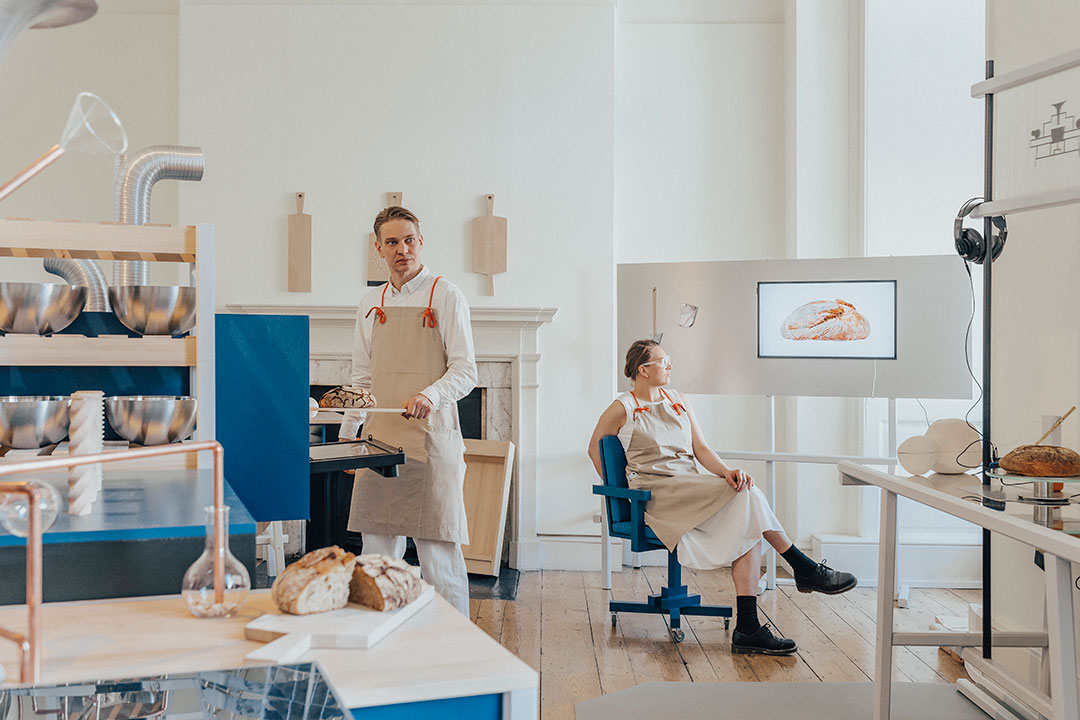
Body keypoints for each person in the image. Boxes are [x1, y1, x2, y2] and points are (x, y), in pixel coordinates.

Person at [587, 339, 857, 655]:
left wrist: (726, 472)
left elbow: (701, 449)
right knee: (749, 499)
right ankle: (802, 567)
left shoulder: (678, 400)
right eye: (664, 360)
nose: (670, 365)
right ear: (643, 369)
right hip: (659, 494)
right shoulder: (623, 407)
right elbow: (595, 448)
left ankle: (748, 627)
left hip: (691, 486)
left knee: (747, 507)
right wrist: (621, 496)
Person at [339, 205, 477, 616]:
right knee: (376, 555)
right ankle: (380, 639)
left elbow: (467, 370)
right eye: (393, 242)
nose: (403, 249)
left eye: (410, 239)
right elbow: (361, 379)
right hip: (378, 444)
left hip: (431, 443)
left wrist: (430, 396)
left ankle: (456, 649)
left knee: (439, 554)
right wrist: (349, 437)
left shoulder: (446, 294)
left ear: (421, 242)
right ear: (378, 248)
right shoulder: (369, 302)